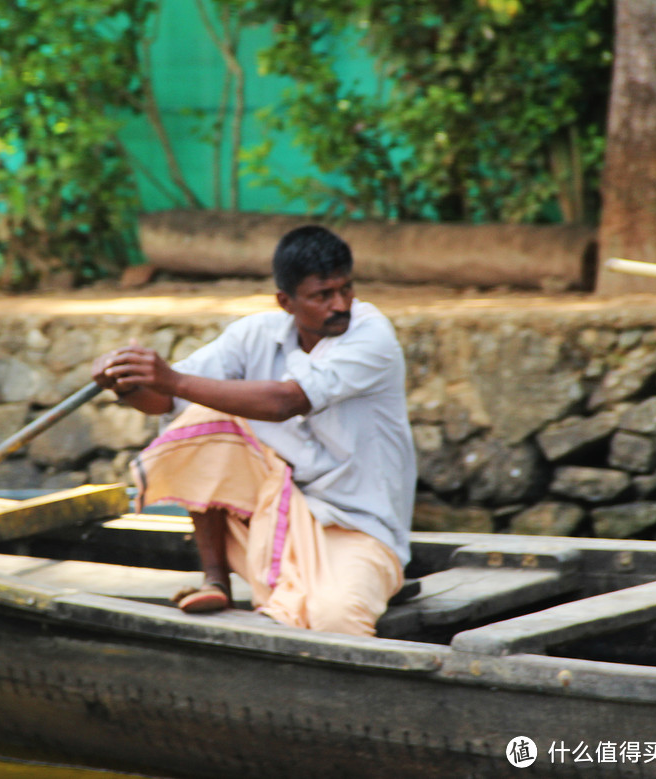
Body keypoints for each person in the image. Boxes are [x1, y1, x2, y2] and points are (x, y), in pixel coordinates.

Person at [91, 225, 415, 636]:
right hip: (272, 515)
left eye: (346, 289)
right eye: (322, 296)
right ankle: (216, 579)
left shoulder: (371, 336)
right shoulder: (254, 334)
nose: (341, 305)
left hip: (358, 527)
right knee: (200, 419)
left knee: (336, 618)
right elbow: (167, 402)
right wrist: (126, 384)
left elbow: (285, 402)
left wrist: (170, 379)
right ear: (286, 301)